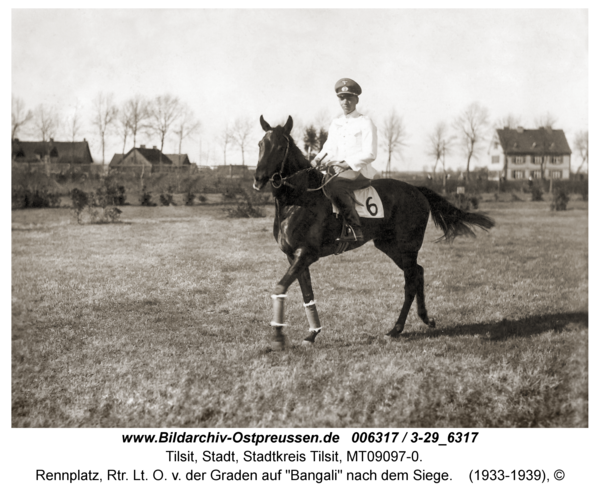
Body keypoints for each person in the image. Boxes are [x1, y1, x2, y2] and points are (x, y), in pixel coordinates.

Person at [313, 78, 378, 242]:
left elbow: (370, 153)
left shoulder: (365, 122)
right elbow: (328, 148)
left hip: (358, 171)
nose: (345, 102)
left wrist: (346, 164)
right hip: (337, 170)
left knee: (333, 185)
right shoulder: (336, 123)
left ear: (357, 99)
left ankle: (354, 228)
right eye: (342, 98)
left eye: (349, 97)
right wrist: (316, 161)